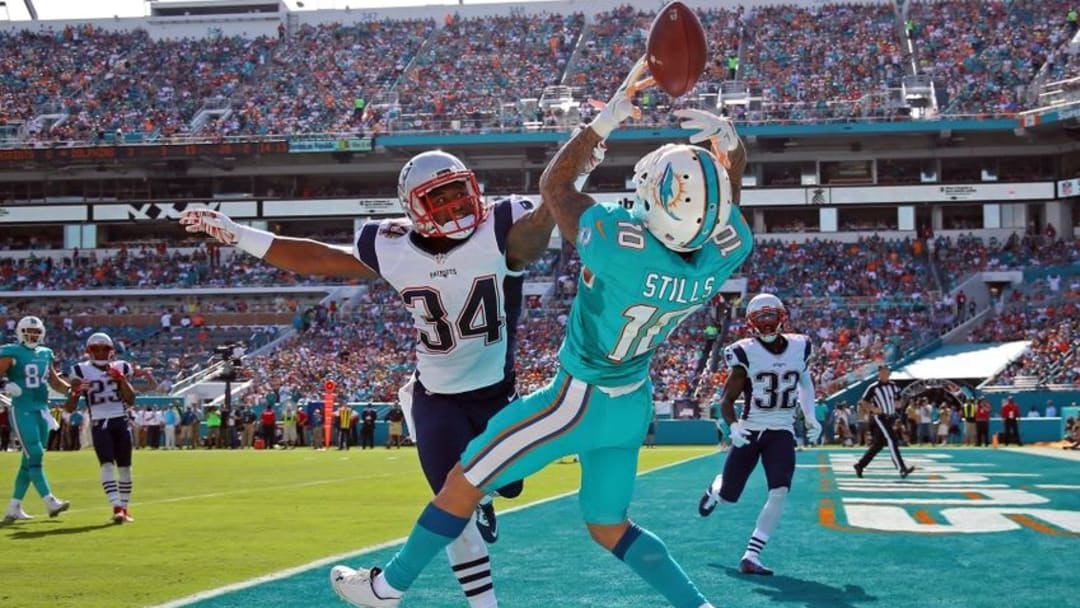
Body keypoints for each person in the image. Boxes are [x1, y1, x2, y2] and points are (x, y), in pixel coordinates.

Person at [327, 56, 751, 608]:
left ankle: (386, 589)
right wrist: (733, 152)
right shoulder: (727, 250)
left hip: (576, 400)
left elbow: (555, 186)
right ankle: (698, 605)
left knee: (461, 483)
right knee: (608, 527)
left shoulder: (619, 244)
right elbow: (724, 209)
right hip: (631, 405)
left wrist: (601, 125)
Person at [181, 143, 556, 608]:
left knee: (508, 484)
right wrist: (239, 234)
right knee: (449, 506)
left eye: (458, 192)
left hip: (496, 394)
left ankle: (483, 497)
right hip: (435, 396)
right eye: (438, 199)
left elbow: (542, 227)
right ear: (414, 208)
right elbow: (318, 258)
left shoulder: (502, 224)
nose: (455, 205)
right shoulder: (391, 245)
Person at [697, 293, 822, 576]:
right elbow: (726, 400)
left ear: (781, 316)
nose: (766, 323)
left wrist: (810, 415)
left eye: (770, 316)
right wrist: (734, 427)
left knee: (779, 491)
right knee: (730, 496)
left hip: (782, 430)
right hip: (751, 428)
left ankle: (752, 554)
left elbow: (805, 383)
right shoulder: (744, 351)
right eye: (760, 318)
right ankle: (716, 489)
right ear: (751, 322)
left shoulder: (800, 346)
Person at [1, 316, 73, 523]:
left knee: (29, 461)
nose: (32, 336)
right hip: (22, 408)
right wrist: (6, 385)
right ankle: (49, 500)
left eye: (35, 332)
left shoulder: (45, 353)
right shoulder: (11, 351)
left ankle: (14, 507)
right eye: (28, 332)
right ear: (20, 333)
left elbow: (54, 381)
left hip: (42, 409)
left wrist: (71, 390)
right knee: (35, 452)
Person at [65, 332, 138, 524]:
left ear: (111, 351)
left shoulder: (122, 366)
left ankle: (124, 507)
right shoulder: (79, 370)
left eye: (103, 349)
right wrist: (75, 392)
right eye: (95, 349)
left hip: (120, 420)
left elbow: (130, 399)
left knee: (125, 467)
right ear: (88, 351)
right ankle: (116, 507)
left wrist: (121, 379)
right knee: (106, 464)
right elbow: (70, 407)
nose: (99, 353)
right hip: (99, 422)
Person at [853, 365, 915, 479]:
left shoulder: (893, 386)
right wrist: (873, 409)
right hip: (880, 417)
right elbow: (863, 402)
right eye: (883, 373)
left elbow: (898, 399)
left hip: (890, 417)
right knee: (892, 440)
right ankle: (901, 468)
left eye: (886, 372)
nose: (885, 375)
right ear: (879, 374)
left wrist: (898, 403)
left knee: (879, 444)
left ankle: (860, 465)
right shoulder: (873, 387)